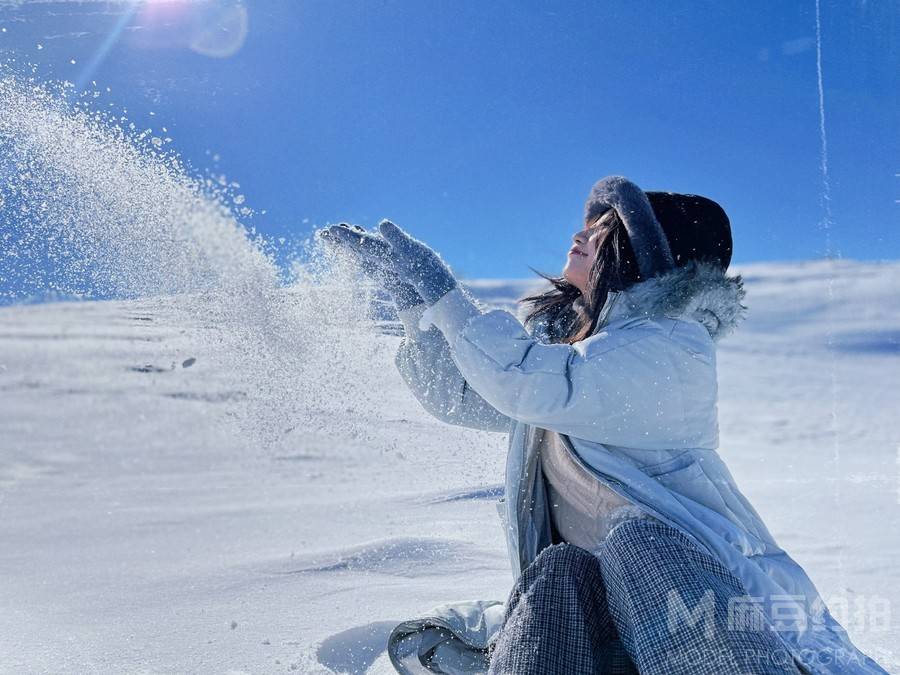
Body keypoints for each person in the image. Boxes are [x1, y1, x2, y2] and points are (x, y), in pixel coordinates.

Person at [318, 176, 887, 675]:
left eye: (605, 229)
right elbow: (464, 393)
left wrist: (446, 296)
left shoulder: (670, 347)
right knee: (557, 570)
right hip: (617, 626)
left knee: (636, 542)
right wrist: (417, 308)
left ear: (644, 257)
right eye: (590, 224)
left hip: (698, 609)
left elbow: (526, 381)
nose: (583, 233)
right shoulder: (577, 353)